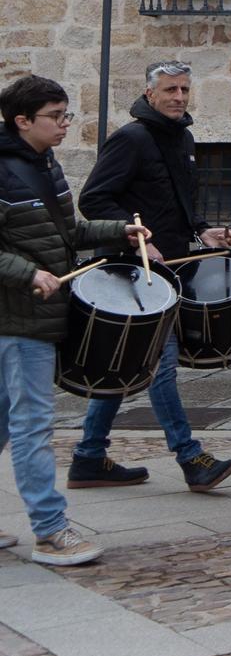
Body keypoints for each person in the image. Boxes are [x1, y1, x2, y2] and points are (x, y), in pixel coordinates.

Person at [0, 74, 153, 565]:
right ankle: (49, 530)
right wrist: (28, 274)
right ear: (22, 121)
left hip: (40, 316)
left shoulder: (45, 163)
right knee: (32, 426)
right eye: (56, 116)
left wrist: (121, 231)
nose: (66, 124)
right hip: (18, 320)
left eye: (66, 114)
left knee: (6, 423)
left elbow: (70, 232)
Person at [68, 61, 231, 493]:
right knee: (158, 364)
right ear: (150, 94)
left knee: (125, 362)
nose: (179, 97)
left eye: (184, 89)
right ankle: (190, 456)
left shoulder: (182, 137)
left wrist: (204, 229)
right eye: (170, 90)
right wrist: (135, 238)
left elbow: (182, 199)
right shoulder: (130, 139)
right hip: (131, 272)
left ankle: (89, 457)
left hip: (169, 269)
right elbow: (93, 199)